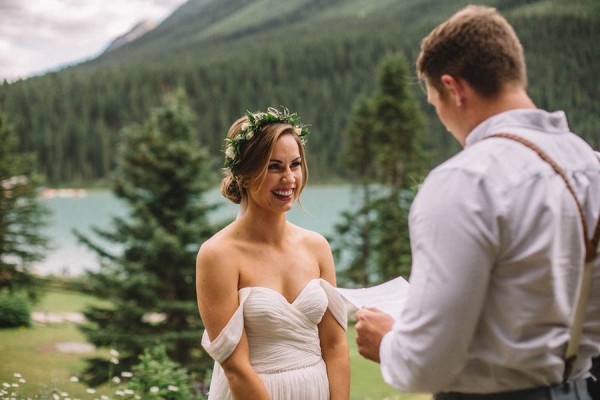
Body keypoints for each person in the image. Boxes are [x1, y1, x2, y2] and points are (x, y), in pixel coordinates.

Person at [354, 5, 600, 400]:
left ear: (454, 88)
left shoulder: (465, 181)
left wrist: (386, 341)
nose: (445, 122)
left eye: (436, 106)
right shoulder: (590, 165)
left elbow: (424, 365)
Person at [196, 107, 350, 400]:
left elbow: (335, 345)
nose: (289, 178)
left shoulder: (317, 247)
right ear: (244, 174)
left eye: (295, 165)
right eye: (274, 166)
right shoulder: (217, 255)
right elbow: (236, 367)